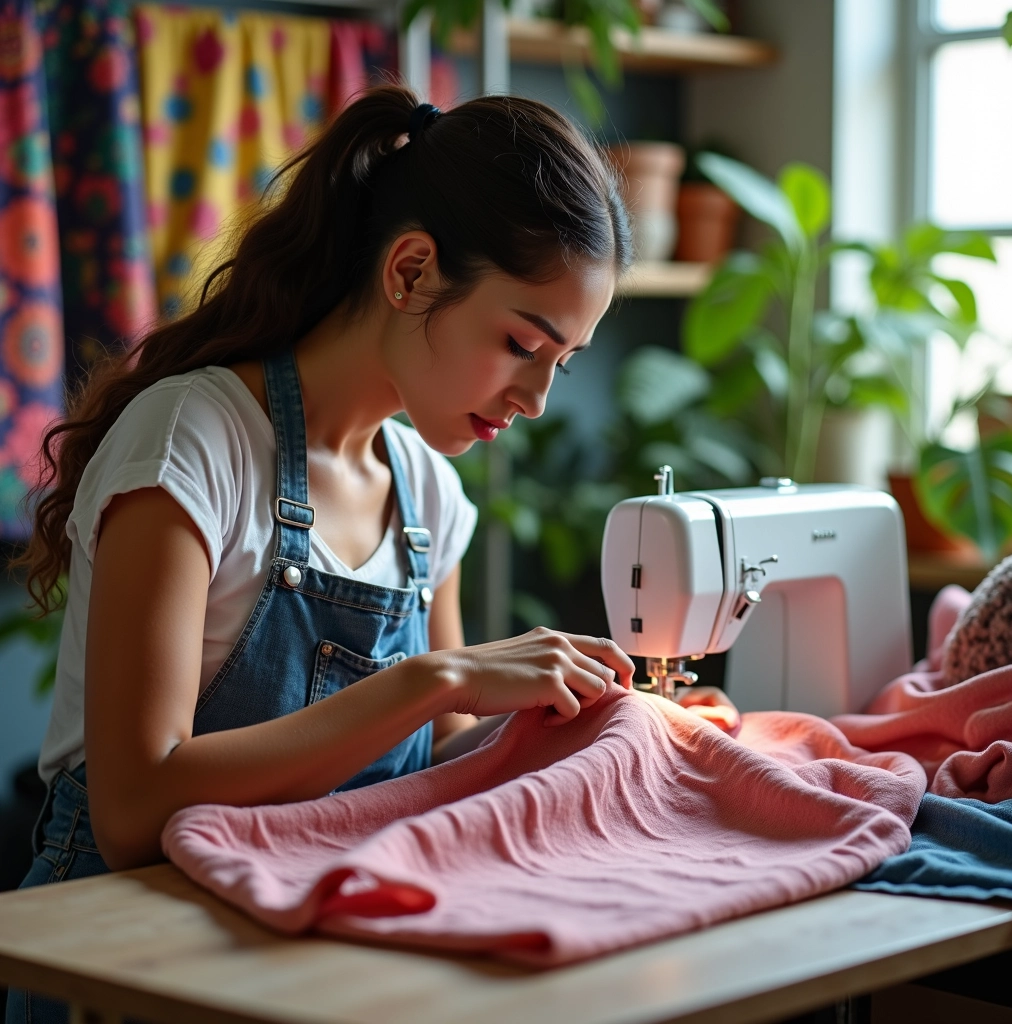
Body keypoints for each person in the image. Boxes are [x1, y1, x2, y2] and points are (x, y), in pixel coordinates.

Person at [6, 85, 735, 1024]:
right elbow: (136, 807)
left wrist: (602, 734)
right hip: (122, 954)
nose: (537, 399)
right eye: (521, 343)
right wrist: (439, 678)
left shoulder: (429, 493)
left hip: (299, 939)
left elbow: (432, 757)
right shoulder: (193, 441)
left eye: (564, 362)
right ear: (411, 271)